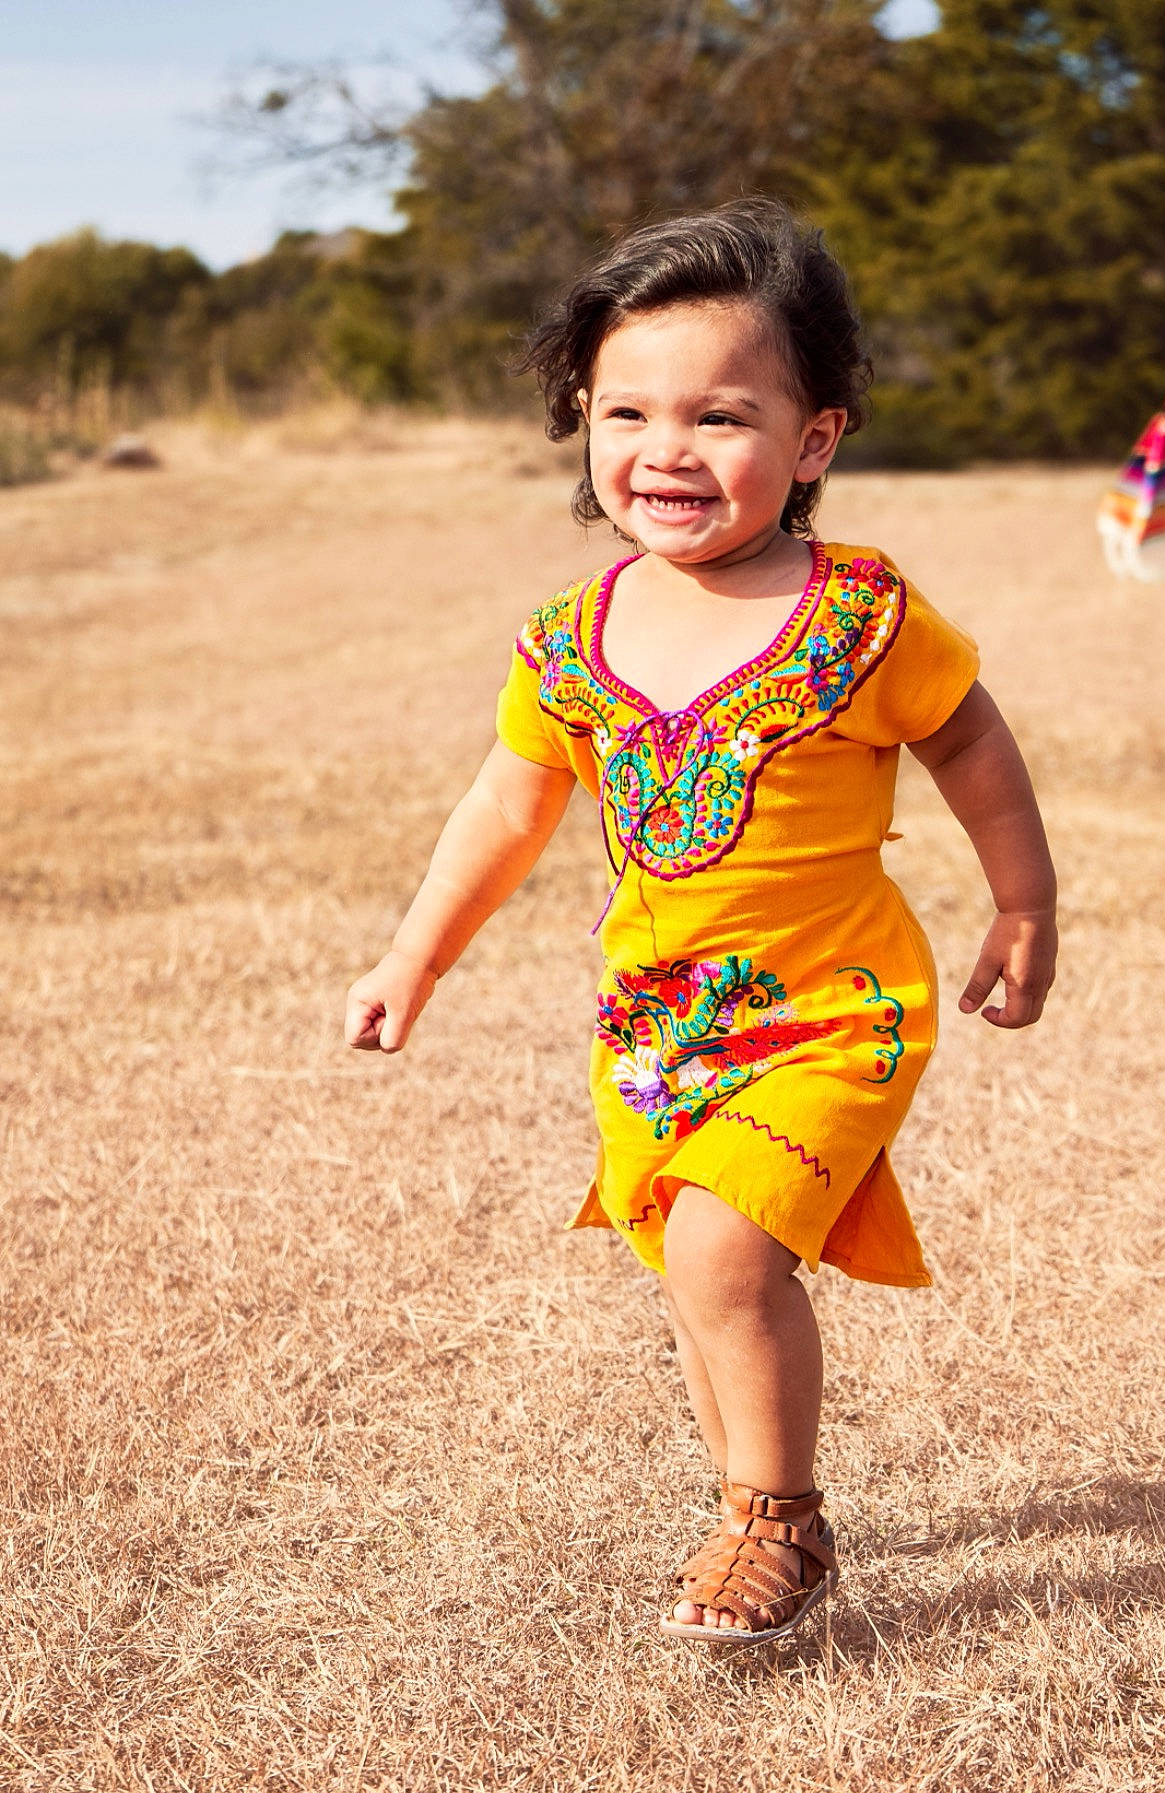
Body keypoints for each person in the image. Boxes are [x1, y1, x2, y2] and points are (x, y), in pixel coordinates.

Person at [345, 199, 1057, 1645]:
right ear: (582, 424)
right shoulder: (568, 638)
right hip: (658, 1027)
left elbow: (970, 745)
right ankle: (748, 1497)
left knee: (728, 1256)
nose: (665, 450)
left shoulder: (857, 617)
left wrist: (1022, 900)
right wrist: (410, 959)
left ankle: (776, 1529)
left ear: (812, 443)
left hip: (834, 1007)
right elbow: (502, 811)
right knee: (693, 1264)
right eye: (625, 411)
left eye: (720, 415)